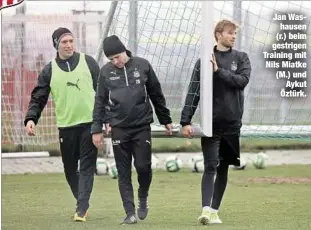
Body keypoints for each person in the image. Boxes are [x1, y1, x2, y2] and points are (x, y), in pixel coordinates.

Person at [91, 35, 173, 225]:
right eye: (111, 59)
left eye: (118, 56)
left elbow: (156, 93)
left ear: (124, 51)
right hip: (118, 128)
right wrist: (97, 128)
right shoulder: (105, 72)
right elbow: (100, 101)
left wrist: (166, 119)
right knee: (123, 171)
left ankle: (143, 197)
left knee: (143, 167)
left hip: (141, 126)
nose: (116, 61)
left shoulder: (143, 65)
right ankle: (129, 213)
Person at [24, 27, 100, 222]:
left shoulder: (89, 62)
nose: (68, 45)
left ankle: (81, 209)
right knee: (69, 169)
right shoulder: (49, 69)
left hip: (90, 124)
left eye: (71, 41)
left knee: (86, 168)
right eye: (64, 42)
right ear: (56, 45)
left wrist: (105, 119)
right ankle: (82, 201)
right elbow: (38, 97)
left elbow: (102, 92)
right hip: (66, 127)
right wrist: (31, 119)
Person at [180, 19, 251, 225]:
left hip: (232, 124)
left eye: (235, 34)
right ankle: (205, 211)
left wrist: (218, 71)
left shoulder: (241, 58)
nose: (234, 37)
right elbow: (193, 92)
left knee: (223, 168)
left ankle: (214, 211)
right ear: (219, 34)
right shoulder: (203, 60)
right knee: (210, 165)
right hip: (210, 124)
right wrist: (185, 121)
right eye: (230, 33)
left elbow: (242, 82)